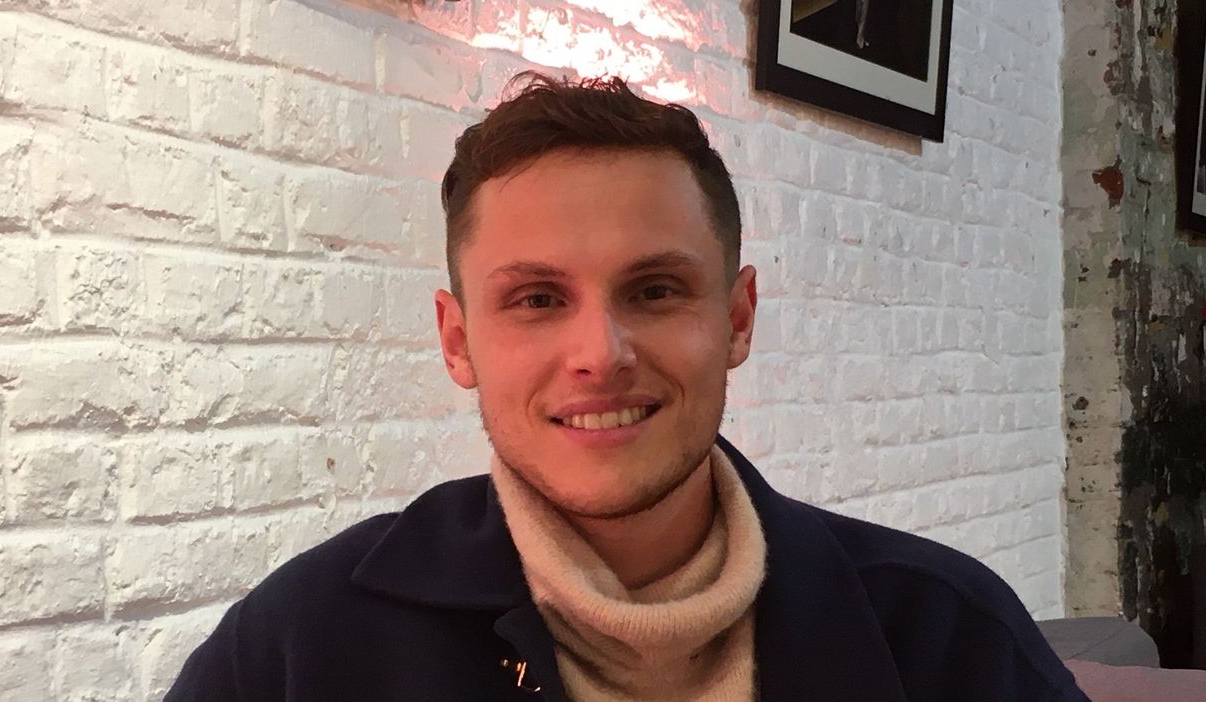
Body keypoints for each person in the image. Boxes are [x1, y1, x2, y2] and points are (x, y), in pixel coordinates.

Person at [164, 72, 1088, 701]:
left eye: (653, 291)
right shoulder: (302, 645)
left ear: (736, 318)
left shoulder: (942, 636)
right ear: (457, 340)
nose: (600, 354)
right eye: (536, 299)